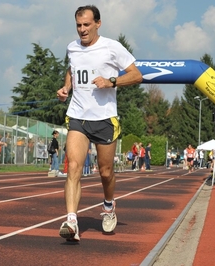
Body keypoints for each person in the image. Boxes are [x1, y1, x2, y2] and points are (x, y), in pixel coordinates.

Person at [56, 5, 142, 242]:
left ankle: (108, 205)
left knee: (105, 172)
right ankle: (71, 220)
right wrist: (66, 88)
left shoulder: (112, 47)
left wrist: (111, 81)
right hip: (78, 117)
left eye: (86, 25)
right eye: (78, 25)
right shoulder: (72, 48)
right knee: (73, 166)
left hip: (104, 118)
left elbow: (136, 75)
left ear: (97, 24)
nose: (82, 30)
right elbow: (72, 71)